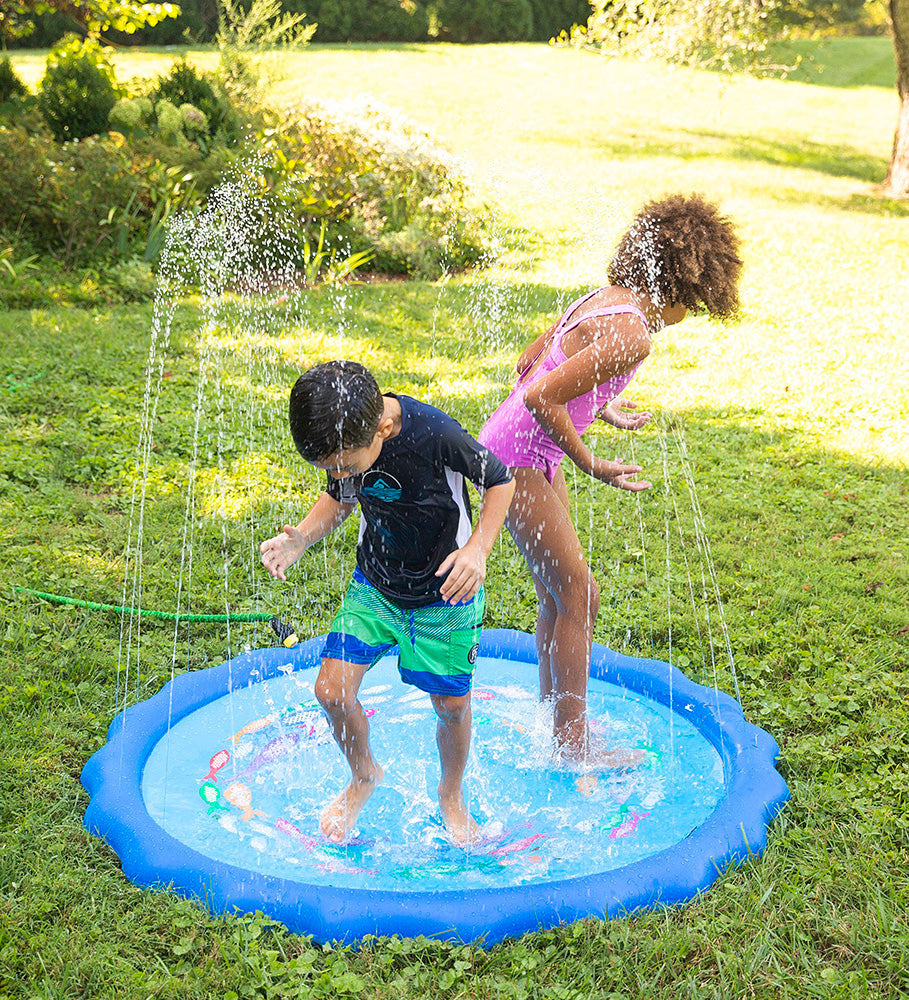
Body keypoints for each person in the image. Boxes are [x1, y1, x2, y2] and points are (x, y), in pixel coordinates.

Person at [478, 193, 743, 765]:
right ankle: (573, 744)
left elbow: (533, 362)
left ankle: (553, 717)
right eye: (693, 306)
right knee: (580, 594)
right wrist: (589, 461)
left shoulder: (605, 300)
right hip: (520, 454)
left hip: (522, 444)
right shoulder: (636, 333)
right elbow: (540, 391)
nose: (685, 319)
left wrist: (598, 406)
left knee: (560, 592)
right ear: (685, 286)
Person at [261, 361, 515, 846]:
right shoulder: (349, 435)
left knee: (453, 707)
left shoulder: (435, 433)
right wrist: (300, 542)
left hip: (445, 594)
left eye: (346, 466)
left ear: (382, 426)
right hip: (374, 587)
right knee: (332, 691)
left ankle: (451, 794)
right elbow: (340, 498)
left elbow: (500, 480)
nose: (339, 476)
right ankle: (364, 775)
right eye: (329, 469)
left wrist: (478, 548)